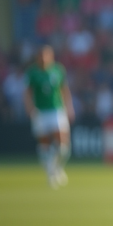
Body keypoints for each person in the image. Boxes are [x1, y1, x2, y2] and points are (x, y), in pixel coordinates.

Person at [23, 45, 74, 188]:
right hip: (40, 112)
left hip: (57, 110)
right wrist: (29, 107)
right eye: (41, 56)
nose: (43, 58)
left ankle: (57, 167)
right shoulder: (32, 72)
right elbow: (27, 92)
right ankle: (50, 173)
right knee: (44, 144)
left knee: (63, 147)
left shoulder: (58, 70)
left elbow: (64, 89)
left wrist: (69, 107)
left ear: (51, 56)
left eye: (46, 55)